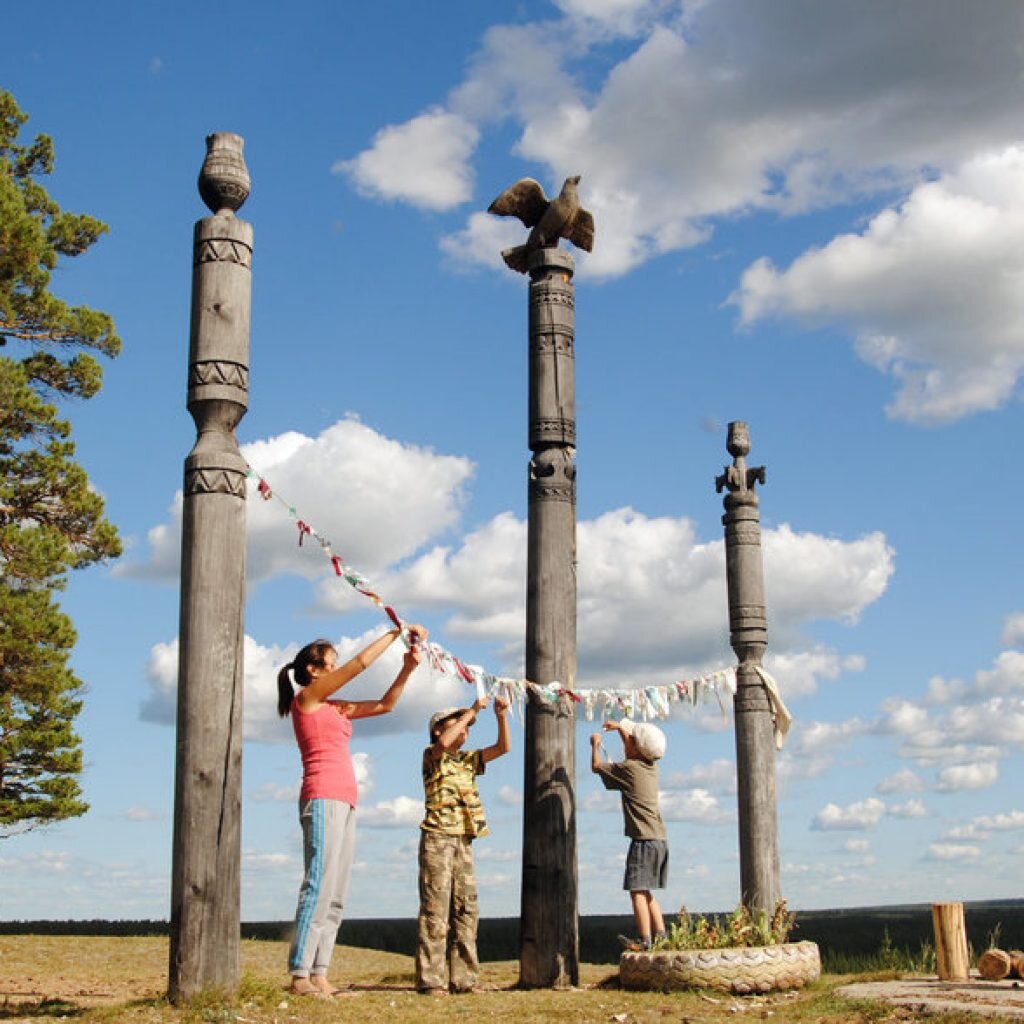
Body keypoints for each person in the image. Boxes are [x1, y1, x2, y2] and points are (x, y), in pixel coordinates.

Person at [277, 623, 428, 997]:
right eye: (331, 662)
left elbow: (385, 705)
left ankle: (320, 972)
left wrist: (407, 668)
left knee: (337, 891)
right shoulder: (307, 699)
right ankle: (299, 974)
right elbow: (360, 663)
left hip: (345, 800)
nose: (337, 666)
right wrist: (396, 631)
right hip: (322, 795)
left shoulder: (335, 707)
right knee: (318, 884)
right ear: (313, 670)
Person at [415, 692, 511, 996]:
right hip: (437, 837)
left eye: (466, 725)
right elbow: (443, 745)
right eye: (456, 725)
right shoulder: (432, 754)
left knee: (466, 909)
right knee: (436, 909)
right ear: (438, 729)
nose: (465, 729)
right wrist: (471, 711)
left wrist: (499, 716)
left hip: (463, 839)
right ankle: (431, 980)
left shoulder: (468, 761)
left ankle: (464, 979)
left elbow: (502, 748)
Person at [590, 717, 669, 951]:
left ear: (634, 747)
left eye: (630, 740)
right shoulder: (650, 767)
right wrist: (621, 730)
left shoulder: (629, 769)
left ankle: (645, 941)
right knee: (647, 891)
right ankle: (662, 937)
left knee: (636, 891)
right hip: (660, 840)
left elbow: (596, 766)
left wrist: (595, 745)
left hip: (643, 841)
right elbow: (635, 749)